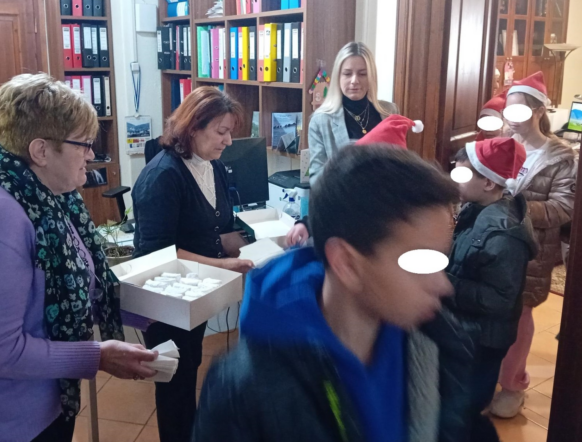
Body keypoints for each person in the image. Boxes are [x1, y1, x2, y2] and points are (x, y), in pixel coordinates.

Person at [0, 74, 158, 442]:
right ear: (41, 151)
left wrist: (158, 308)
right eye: (84, 144)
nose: (91, 154)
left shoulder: (46, 199)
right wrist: (96, 356)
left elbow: (66, 294)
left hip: (38, 407)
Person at [193, 119, 458, 442]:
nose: (444, 285)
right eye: (419, 263)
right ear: (347, 263)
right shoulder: (243, 393)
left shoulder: (441, 341)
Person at [131, 87, 254, 442]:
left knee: (189, 368)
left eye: (230, 131)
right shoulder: (162, 177)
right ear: (193, 128)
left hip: (195, 294)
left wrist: (257, 247)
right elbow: (158, 254)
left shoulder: (212, 167)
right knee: (175, 386)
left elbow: (217, 228)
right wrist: (223, 265)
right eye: (221, 131)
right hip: (165, 299)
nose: (228, 141)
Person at [432, 139, 537, 442]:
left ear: (489, 182)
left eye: (462, 175)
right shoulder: (476, 208)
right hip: (466, 330)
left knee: (465, 407)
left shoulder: (503, 235)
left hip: (483, 339)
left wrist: (444, 281)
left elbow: (499, 298)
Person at [490, 71, 577, 418]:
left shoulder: (560, 156)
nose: (511, 119)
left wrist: (516, 209)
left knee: (519, 317)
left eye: (520, 110)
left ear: (539, 111)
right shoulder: (502, 143)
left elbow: (563, 207)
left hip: (532, 253)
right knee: (492, 314)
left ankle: (513, 385)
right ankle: (487, 380)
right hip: (495, 246)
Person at [307, 41, 399, 185]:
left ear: (371, 77)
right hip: (342, 196)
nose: (354, 81)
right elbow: (316, 178)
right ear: (338, 77)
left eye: (362, 74)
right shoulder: (321, 120)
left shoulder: (389, 112)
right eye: (347, 74)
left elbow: (400, 164)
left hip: (385, 196)